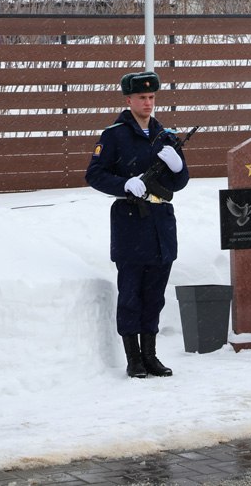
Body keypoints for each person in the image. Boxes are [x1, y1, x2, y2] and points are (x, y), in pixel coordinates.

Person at [85, 70, 191, 378]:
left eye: (151, 97)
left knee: (155, 296)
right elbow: (94, 174)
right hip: (131, 224)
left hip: (160, 226)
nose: (148, 102)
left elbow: (180, 182)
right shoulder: (115, 135)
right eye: (142, 97)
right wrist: (125, 184)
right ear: (128, 99)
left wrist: (177, 165)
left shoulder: (165, 135)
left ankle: (151, 356)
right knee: (131, 295)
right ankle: (133, 358)